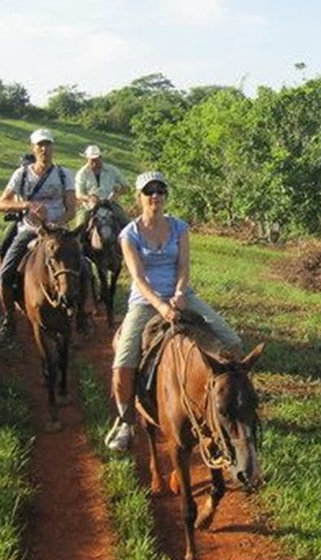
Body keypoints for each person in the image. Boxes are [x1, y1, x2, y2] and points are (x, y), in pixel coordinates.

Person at [104, 171, 242, 452]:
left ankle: (230, 407)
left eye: (160, 191)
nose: (155, 196)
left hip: (182, 296)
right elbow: (139, 280)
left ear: (166, 196)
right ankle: (126, 422)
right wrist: (161, 305)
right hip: (145, 302)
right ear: (139, 197)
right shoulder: (129, 234)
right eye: (149, 191)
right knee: (122, 367)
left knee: (232, 342)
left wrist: (179, 294)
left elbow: (184, 268)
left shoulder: (179, 227)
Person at [0, 128, 90, 344]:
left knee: (83, 267)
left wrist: (58, 223)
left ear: (53, 147)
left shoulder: (64, 174)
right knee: (5, 274)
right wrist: (27, 204)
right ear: (33, 148)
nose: (44, 149)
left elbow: (71, 209)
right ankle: (9, 318)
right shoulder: (22, 174)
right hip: (29, 230)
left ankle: (83, 314)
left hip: (57, 231)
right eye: (40, 145)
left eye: (48, 144)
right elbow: (1, 203)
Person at [73, 144, 130, 230]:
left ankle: (130, 241)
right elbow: (78, 194)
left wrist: (117, 194)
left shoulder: (112, 170)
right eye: (92, 160)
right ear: (87, 159)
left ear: (101, 157)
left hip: (110, 204)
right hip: (89, 206)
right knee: (79, 226)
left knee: (126, 224)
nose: (95, 162)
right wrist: (89, 198)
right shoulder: (82, 174)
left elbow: (126, 186)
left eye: (97, 159)